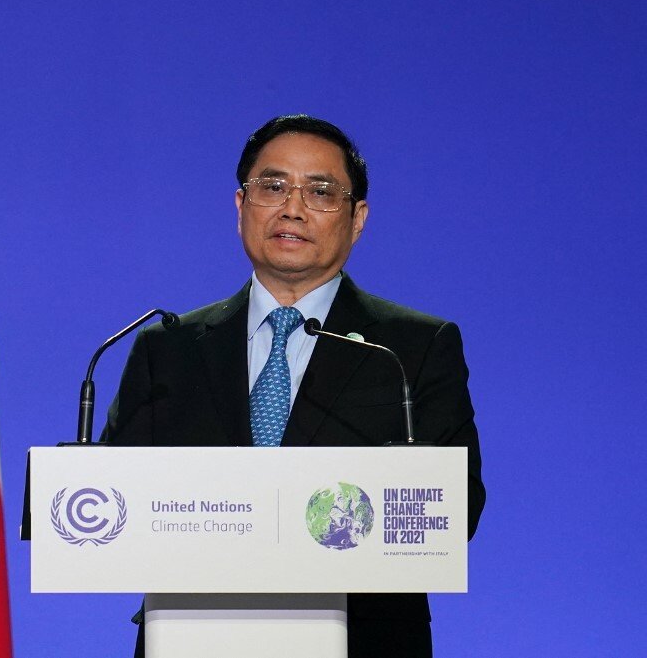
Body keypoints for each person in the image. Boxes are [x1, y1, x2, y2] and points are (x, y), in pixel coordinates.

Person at [103, 114, 486, 658]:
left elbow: (456, 506)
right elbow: (117, 495)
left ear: (358, 220)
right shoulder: (165, 348)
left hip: (363, 637)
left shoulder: (412, 349)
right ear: (241, 207)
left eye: (321, 192)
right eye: (274, 186)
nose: (293, 208)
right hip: (189, 635)